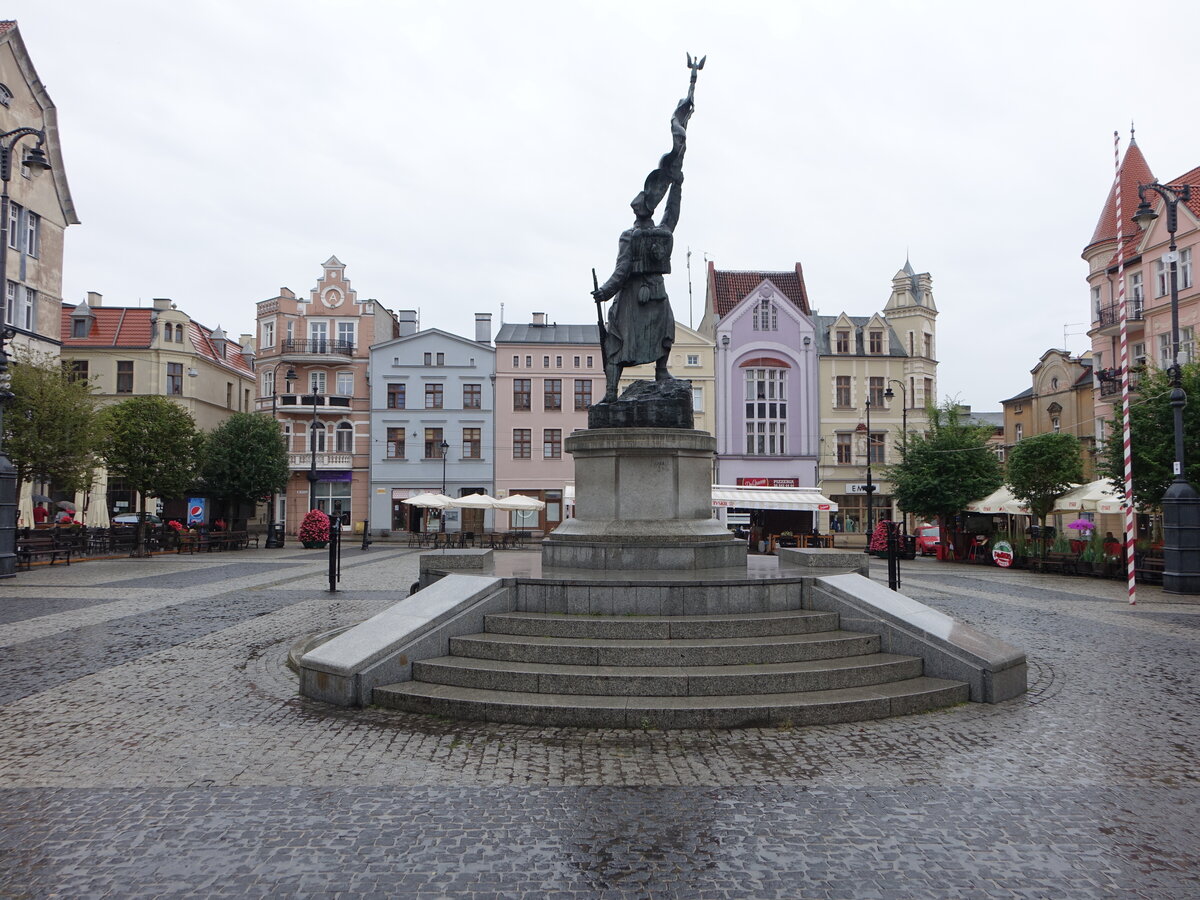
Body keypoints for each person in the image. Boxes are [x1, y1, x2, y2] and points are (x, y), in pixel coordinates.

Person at [591, 61, 700, 403]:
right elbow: (673, 212)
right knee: (649, 332)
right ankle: (642, 378)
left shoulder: (636, 236)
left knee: (621, 338)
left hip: (638, 295)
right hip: (650, 293)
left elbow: (622, 270)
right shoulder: (660, 233)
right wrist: (677, 185)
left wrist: (605, 293)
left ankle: (618, 388)